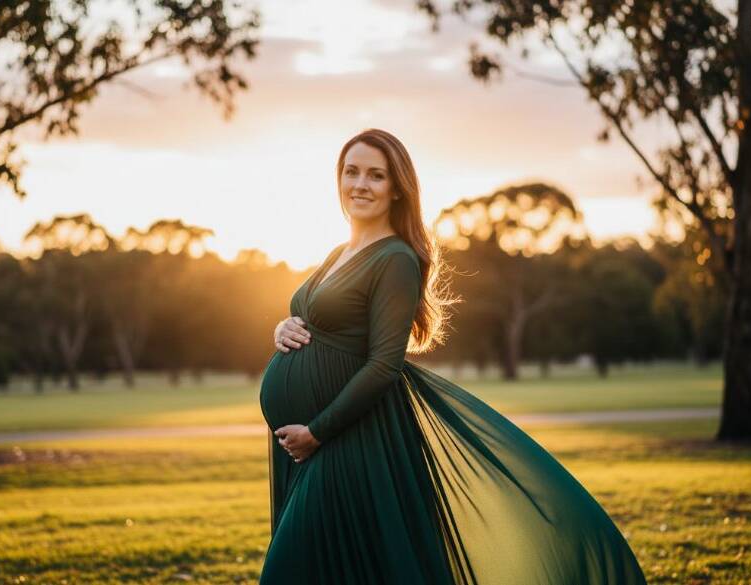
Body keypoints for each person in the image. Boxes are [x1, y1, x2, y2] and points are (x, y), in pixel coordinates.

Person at [257, 128, 647, 584]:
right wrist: (282, 326)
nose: (360, 184)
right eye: (351, 172)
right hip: (305, 445)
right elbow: (315, 321)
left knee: (291, 572)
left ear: (397, 188)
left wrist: (317, 433)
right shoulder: (337, 253)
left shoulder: (396, 259)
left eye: (376, 175)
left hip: (346, 442)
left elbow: (385, 363)